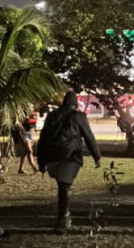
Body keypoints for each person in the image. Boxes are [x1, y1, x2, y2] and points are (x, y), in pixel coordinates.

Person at [36, 90, 102, 233]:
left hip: (53, 157)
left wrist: (41, 162)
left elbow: (43, 140)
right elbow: (89, 137)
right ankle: (63, 218)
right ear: (75, 103)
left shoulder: (52, 116)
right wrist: (97, 156)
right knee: (64, 187)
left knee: (62, 186)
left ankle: (63, 216)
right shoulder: (79, 116)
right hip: (71, 156)